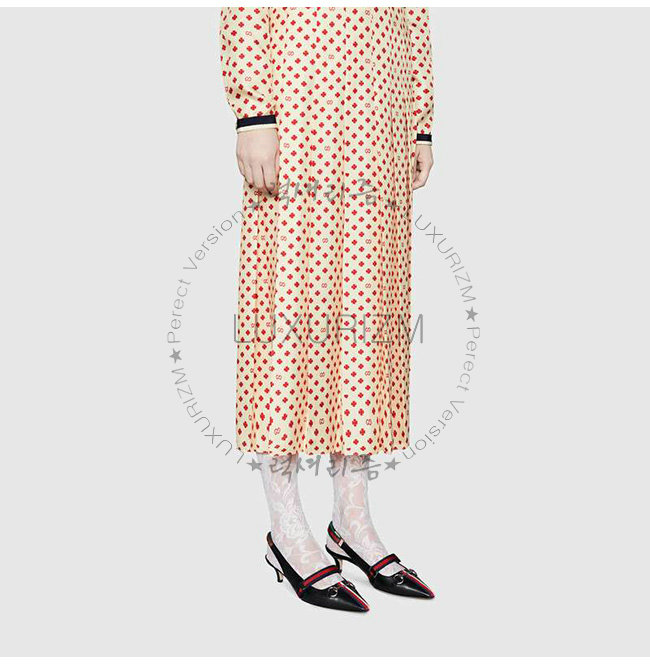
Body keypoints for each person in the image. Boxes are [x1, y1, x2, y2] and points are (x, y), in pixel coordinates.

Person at [220, 7, 435, 612]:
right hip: (296, 101)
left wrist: (420, 123)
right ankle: (286, 525)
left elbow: (415, 15)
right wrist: (254, 113)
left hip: (381, 113)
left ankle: (352, 519)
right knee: (288, 308)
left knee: (368, 311)